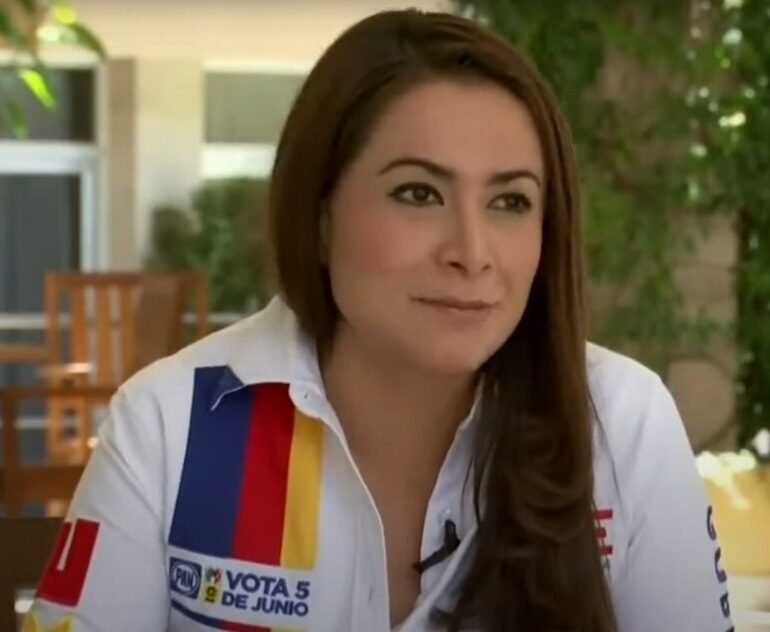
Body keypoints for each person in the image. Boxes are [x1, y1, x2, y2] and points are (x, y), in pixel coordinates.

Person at [24, 9, 733, 632]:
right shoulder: (168, 424)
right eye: (418, 193)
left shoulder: (621, 422)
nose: (472, 253)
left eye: (511, 202)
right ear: (319, 215)